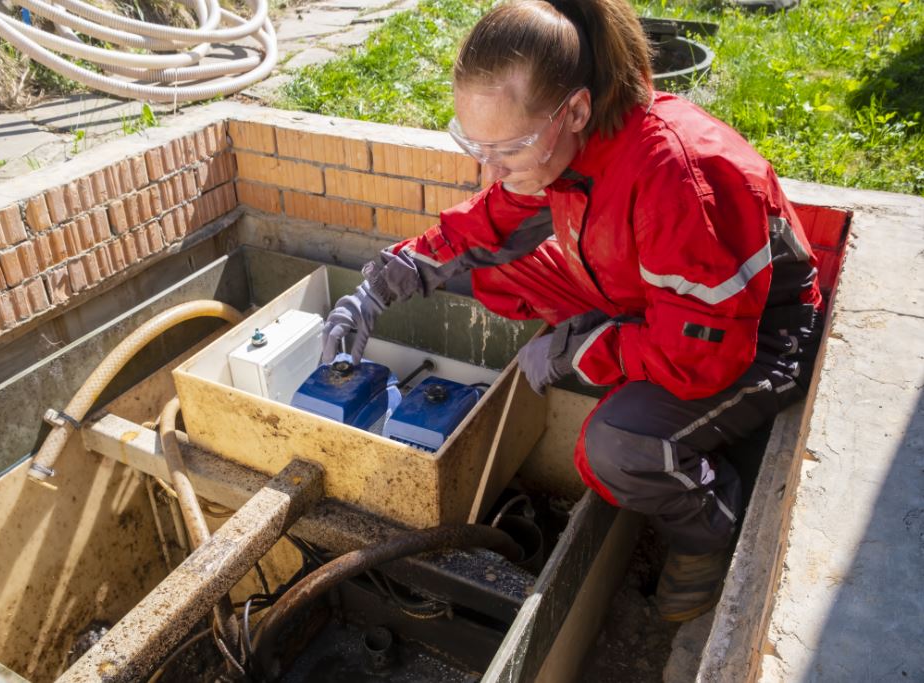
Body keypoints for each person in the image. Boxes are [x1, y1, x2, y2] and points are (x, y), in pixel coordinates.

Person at [321, 0, 822, 622]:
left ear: (575, 109)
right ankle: (613, 346)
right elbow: (480, 228)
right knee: (490, 269)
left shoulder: (675, 178)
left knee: (613, 447)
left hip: (752, 341)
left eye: (506, 148)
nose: (489, 168)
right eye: (475, 144)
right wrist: (379, 285)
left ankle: (710, 525)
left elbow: (703, 356)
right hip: (659, 300)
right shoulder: (567, 146)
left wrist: (576, 351)